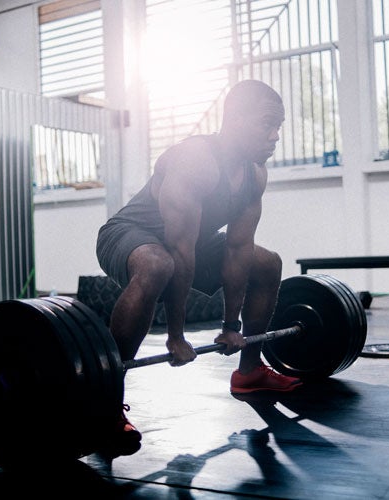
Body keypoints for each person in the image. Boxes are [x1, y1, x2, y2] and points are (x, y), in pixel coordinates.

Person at [95, 79, 302, 457]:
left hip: (192, 243)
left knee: (266, 262)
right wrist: (176, 336)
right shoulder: (195, 161)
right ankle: (105, 405)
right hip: (130, 234)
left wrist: (230, 327)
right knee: (160, 264)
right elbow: (179, 252)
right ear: (235, 119)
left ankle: (250, 372)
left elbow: (238, 250)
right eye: (267, 124)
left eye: (279, 127)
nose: (275, 136)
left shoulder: (255, 174)